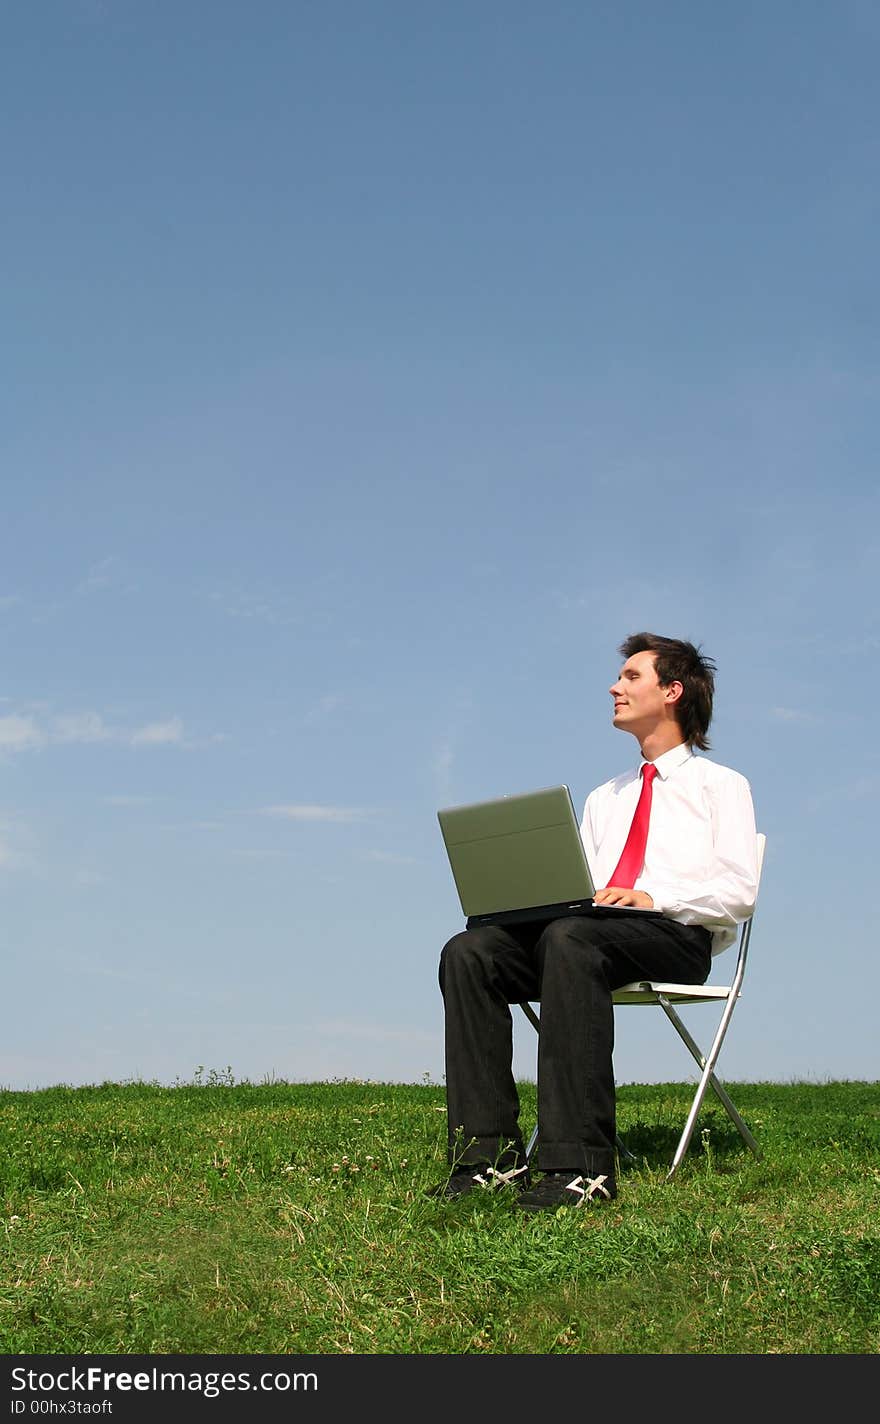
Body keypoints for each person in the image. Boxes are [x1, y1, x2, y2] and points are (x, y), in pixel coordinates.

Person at [435, 632, 758, 1211]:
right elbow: (576, 894)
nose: (615, 686)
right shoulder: (603, 798)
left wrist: (651, 895)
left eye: (632, 677)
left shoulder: (722, 786)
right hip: (584, 935)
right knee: (470, 950)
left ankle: (578, 1166)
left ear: (673, 691)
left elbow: (737, 893)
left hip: (675, 936)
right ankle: (487, 1160)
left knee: (570, 938)